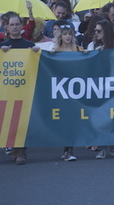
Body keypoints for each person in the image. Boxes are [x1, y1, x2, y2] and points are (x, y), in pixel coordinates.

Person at [0, 14, 40, 165]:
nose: (15, 27)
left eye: (17, 24)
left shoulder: (29, 45)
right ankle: (14, 149)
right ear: (7, 27)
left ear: (21, 26)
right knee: (10, 120)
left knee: (23, 121)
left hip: (25, 88)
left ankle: (21, 151)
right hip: (8, 88)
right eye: (12, 24)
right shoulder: (1, 47)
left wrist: (36, 53)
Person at [49, 23, 84, 161]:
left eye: (70, 34)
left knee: (73, 120)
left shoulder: (78, 49)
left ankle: (69, 150)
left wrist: (87, 54)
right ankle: (67, 149)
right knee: (65, 120)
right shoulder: (56, 50)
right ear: (60, 36)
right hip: (61, 90)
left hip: (76, 90)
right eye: (65, 34)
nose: (68, 36)